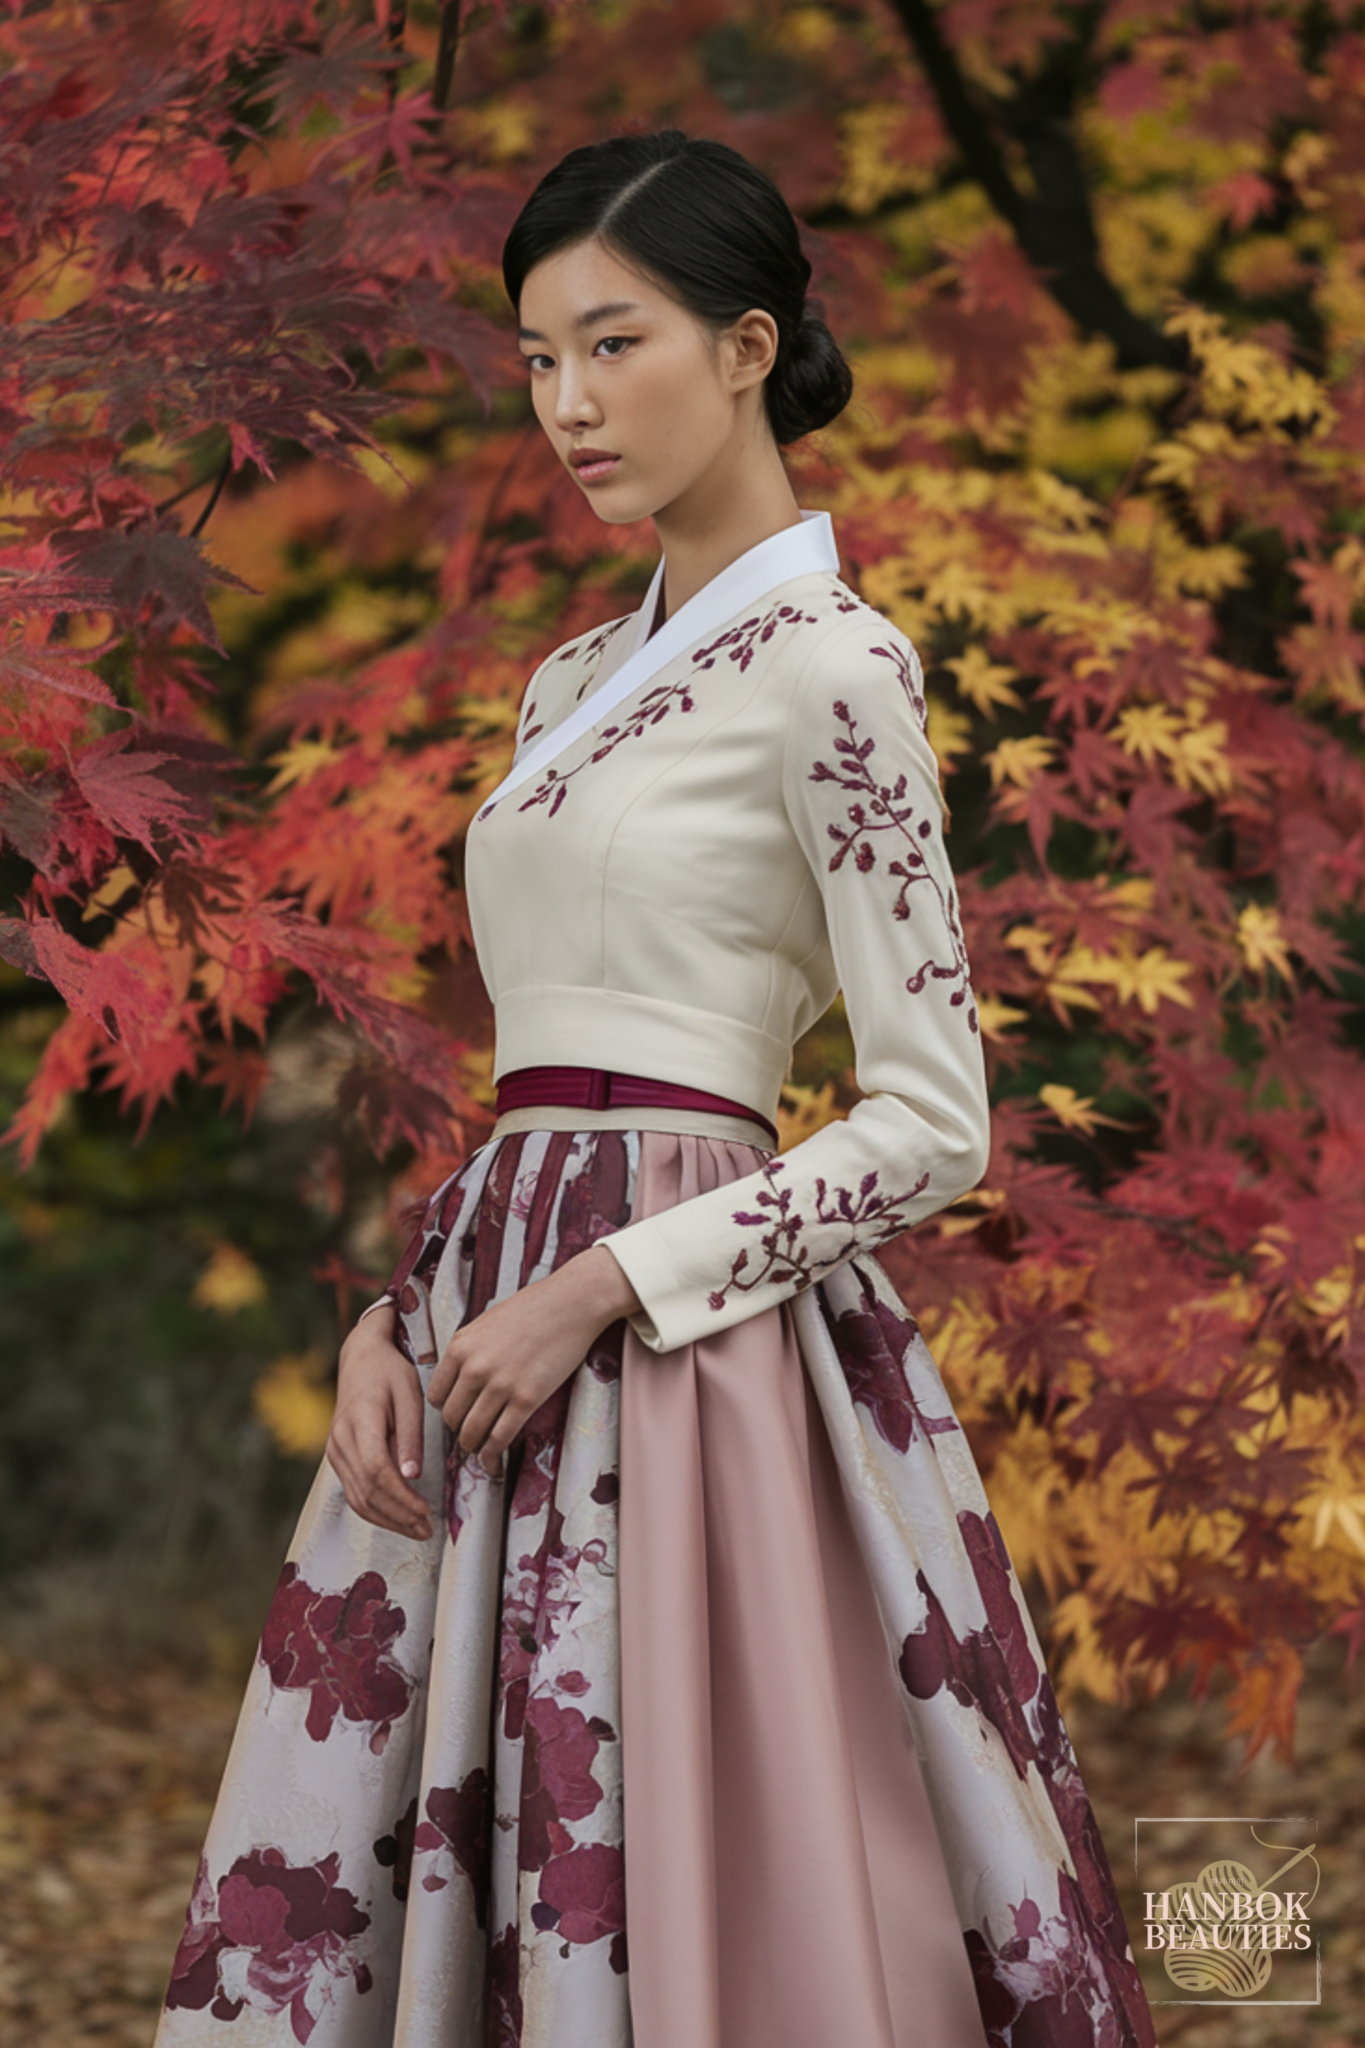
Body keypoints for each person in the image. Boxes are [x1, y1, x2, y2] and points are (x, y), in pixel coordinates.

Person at [156, 131, 1155, 2048]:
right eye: (538, 359)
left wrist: (600, 1288)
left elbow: (932, 1117)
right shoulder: (565, 684)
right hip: (480, 1325)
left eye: (614, 344)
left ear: (750, 342)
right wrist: (398, 1308)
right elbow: (539, 1079)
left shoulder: (836, 670)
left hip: (693, 1358)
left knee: (718, 1865)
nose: (568, 404)